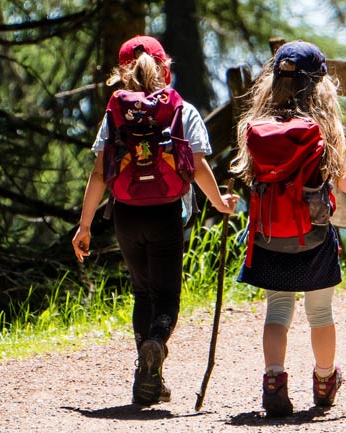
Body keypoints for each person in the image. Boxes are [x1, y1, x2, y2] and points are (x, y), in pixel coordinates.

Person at [71, 35, 239, 406]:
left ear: (121, 72)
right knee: (167, 297)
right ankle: (155, 344)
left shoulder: (114, 114)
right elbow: (196, 167)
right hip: (167, 213)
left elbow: (100, 173)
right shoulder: (181, 109)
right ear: (165, 69)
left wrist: (84, 226)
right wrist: (221, 203)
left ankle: (147, 376)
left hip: (127, 214)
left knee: (142, 292)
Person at [230, 40, 346, 417]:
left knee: (277, 311)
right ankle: (326, 380)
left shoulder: (255, 127)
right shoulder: (320, 128)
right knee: (320, 313)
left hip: (267, 238)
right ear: (320, 85)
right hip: (311, 238)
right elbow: (338, 174)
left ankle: (274, 379)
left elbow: (249, 177)